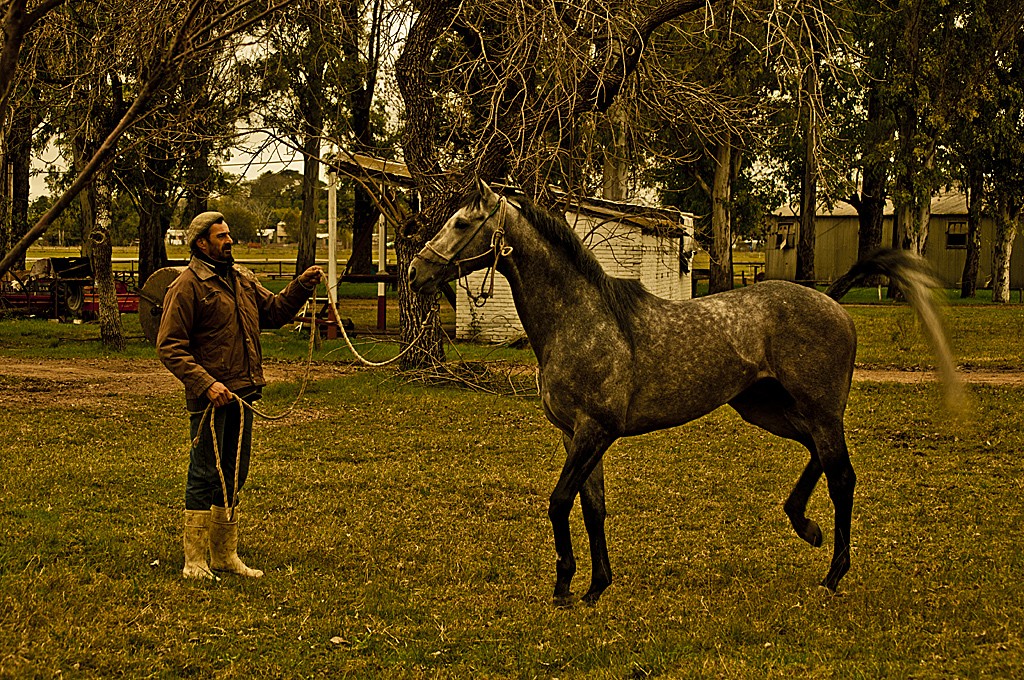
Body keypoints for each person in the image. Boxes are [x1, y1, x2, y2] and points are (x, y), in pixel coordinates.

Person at [157, 211, 322, 580]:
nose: (229, 241)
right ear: (202, 243)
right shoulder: (186, 286)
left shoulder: (242, 279)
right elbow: (170, 346)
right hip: (209, 398)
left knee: (234, 474)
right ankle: (194, 561)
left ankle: (224, 555)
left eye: (229, 235)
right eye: (221, 236)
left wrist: (301, 286)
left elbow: (275, 313)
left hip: (244, 394)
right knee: (204, 474)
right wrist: (206, 383)